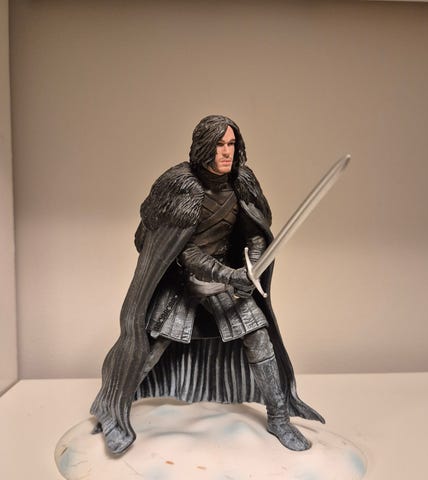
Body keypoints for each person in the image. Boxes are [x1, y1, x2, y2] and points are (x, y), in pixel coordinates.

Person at [91, 115, 324, 455]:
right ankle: (113, 411)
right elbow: (185, 252)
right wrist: (231, 275)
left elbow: (255, 233)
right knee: (147, 349)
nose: (226, 152)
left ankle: (278, 419)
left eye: (231, 144)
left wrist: (252, 267)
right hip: (182, 284)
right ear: (203, 147)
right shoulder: (181, 186)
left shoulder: (242, 181)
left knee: (259, 338)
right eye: (219, 145)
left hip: (226, 283)